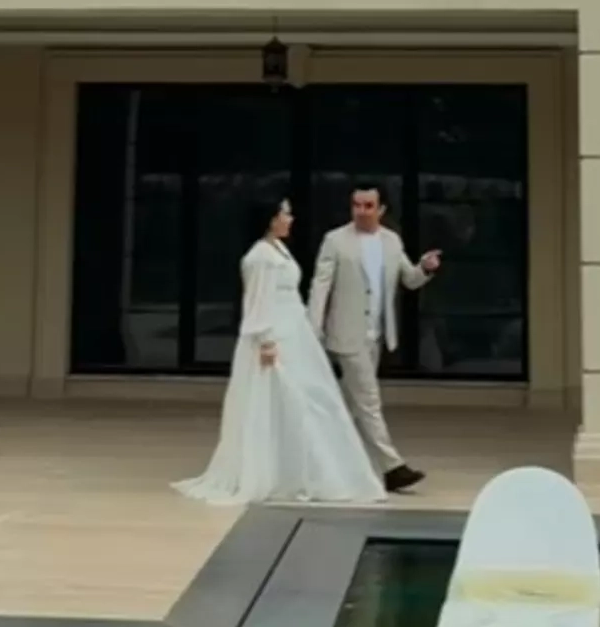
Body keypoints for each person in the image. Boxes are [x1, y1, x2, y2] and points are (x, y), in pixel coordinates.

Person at [171, 198, 386, 505]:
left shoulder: (278, 250)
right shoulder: (260, 257)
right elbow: (257, 301)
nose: (290, 218)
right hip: (277, 336)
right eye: (285, 214)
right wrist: (265, 340)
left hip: (294, 332)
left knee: (313, 400)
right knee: (286, 402)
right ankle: (285, 473)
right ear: (271, 219)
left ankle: (311, 472)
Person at [308, 182, 442, 493]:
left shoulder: (391, 241)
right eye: (356, 205)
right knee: (369, 401)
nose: (361, 211)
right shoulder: (335, 240)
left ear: (381, 209)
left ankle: (321, 462)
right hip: (346, 335)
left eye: (368, 206)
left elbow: (409, 279)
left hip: (377, 337)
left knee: (349, 406)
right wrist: (312, 330)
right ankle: (392, 467)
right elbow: (320, 286)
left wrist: (425, 268)